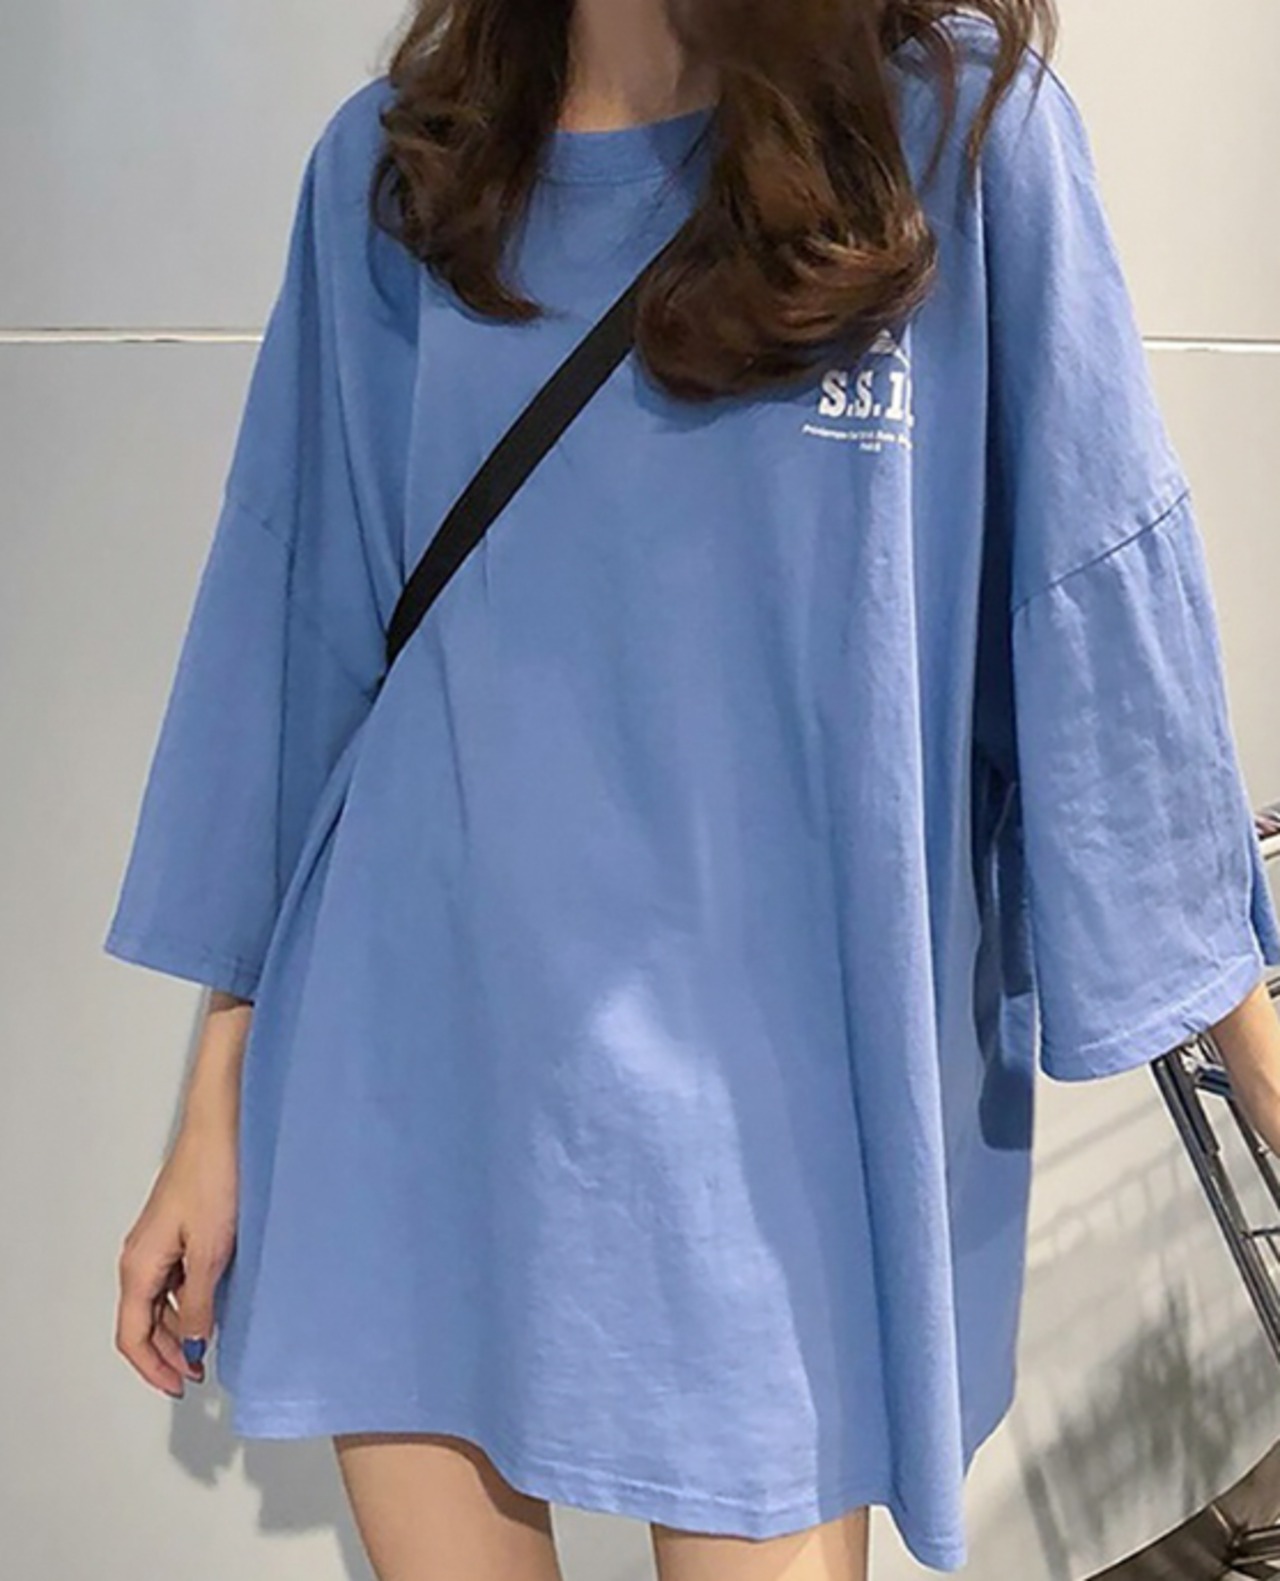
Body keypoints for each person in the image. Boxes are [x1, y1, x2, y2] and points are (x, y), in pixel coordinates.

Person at [104, 2, 1280, 1578]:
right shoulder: (400, 176)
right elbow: (298, 649)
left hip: (766, 1134)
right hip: (409, 1070)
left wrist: (1258, 1062)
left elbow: (1095, 610)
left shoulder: (949, 139)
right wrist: (213, 1109)